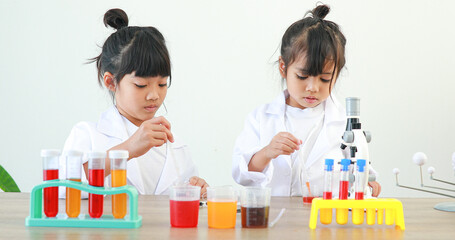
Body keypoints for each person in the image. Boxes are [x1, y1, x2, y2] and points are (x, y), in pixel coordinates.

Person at [232, 4, 381, 197]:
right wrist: (267, 152)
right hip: (275, 220)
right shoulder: (261, 118)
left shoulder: (345, 123)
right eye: (303, 76)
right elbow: (242, 174)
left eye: (325, 79)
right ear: (283, 67)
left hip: (328, 220)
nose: (313, 87)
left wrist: (369, 185)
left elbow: (361, 173)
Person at [59, 8, 208, 198]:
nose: (154, 95)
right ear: (111, 82)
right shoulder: (87, 135)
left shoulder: (176, 145)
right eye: (141, 85)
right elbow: (64, 188)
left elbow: (183, 200)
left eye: (162, 83)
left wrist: (198, 189)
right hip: (108, 229)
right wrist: (129, 148)